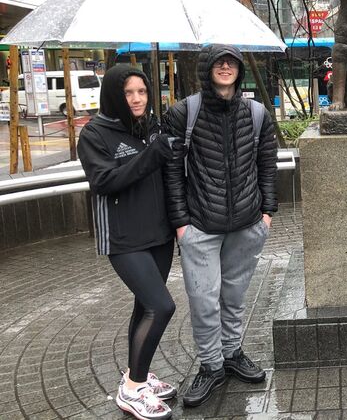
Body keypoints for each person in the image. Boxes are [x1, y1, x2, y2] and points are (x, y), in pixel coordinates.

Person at [163, 44, 278, 408]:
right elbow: (171, 173)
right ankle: (211, 366)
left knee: (234, 296)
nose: (225, 67)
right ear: (206, 68)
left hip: (247, 222)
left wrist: (267, 213)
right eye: (218, 62)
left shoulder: (257, 113)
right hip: (200, 225)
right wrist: (181, 223)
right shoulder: (185, 113)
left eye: (232, 62)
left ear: (240, 70)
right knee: (203, 300)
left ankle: (231, 353)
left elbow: (267, 164)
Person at [78, 64, 184, 420]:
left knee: (144, 307)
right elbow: (105, 181)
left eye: (142, 91)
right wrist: (151, 155)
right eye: (129, 93)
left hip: (158, 234)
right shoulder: (94, 134)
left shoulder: (151, 126)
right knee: (161, 307)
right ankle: (133, 388)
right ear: (113, 95)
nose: (137, 99)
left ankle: (137, 374)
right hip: (124, 239)